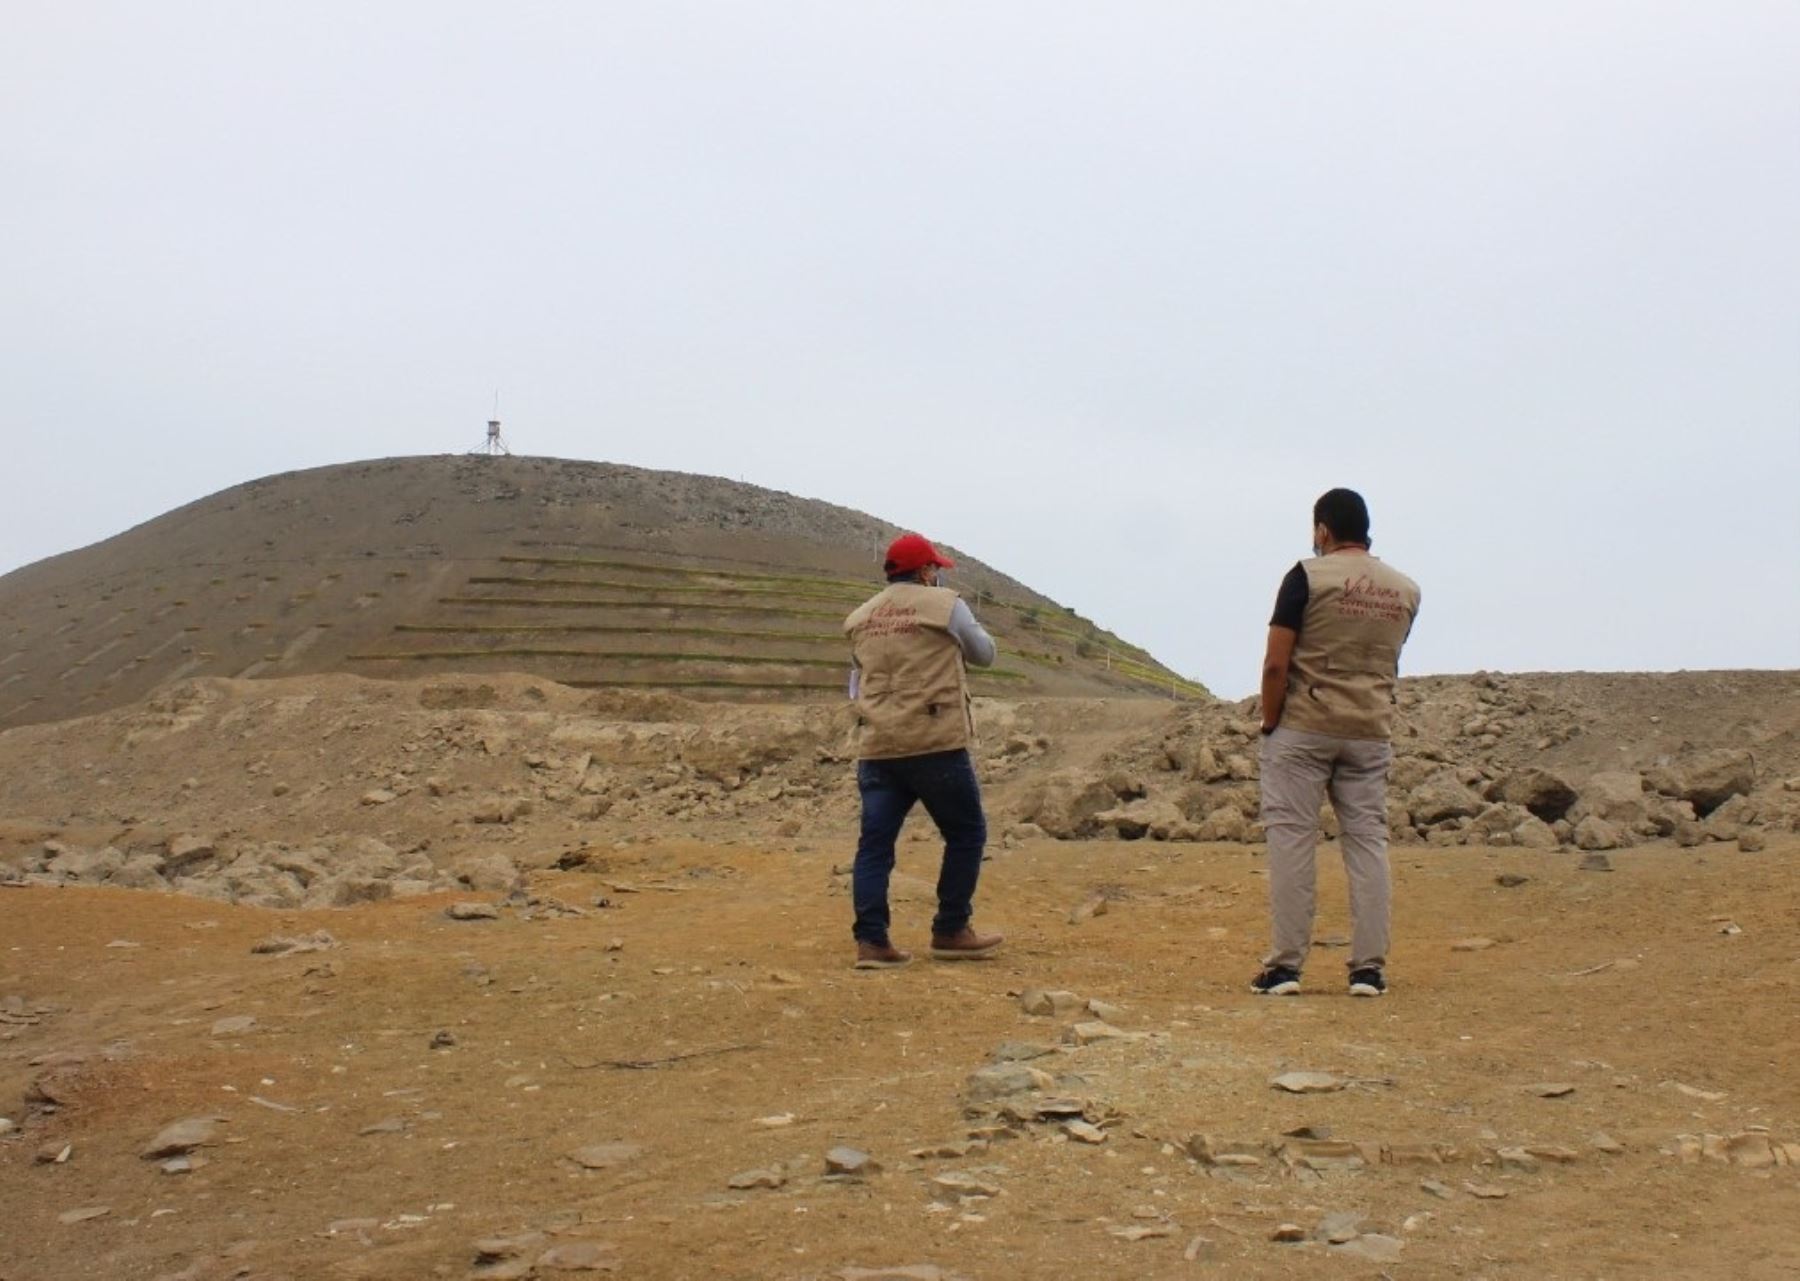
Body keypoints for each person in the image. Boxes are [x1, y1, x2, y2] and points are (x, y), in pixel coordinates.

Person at [1252, 489, 1421, 998]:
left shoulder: (1307, 576)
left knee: (1292, 840)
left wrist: (1271, 720)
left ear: (1322, 529)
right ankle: (1368, 969)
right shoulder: (1406, 590)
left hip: (1305, 725)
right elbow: (1387, 660)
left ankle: (1285, 968)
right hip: (1369, 730)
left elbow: (1277, 662)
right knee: (1368, 842)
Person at [843, 532, 1004, 970]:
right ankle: (951, 928)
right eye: (935, 568)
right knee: (966, 833)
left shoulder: (860, 617)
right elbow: (985, 654)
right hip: (935, 742)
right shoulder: (946, 604)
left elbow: (855, 682)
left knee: (874, 846)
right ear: (927, 571)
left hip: (878, 747)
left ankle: (872, 942)